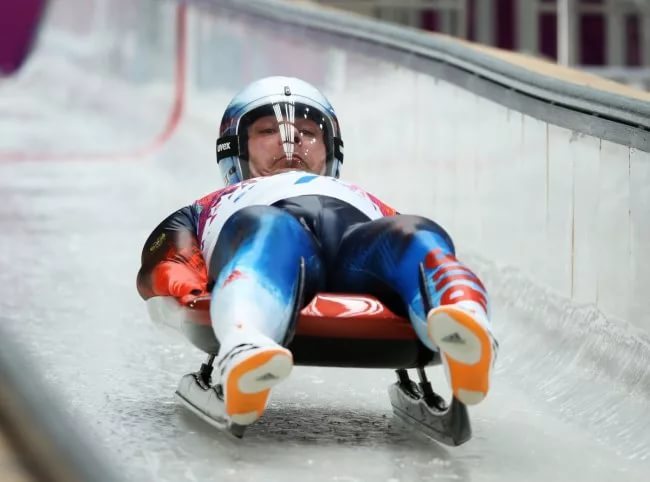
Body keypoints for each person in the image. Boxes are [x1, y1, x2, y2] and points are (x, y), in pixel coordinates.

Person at [137, 76, 498, 428]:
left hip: (356, 242)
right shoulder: (208, 206)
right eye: (267, 132)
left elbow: (417, 245)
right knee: (269, 230)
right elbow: (168, 260)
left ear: (331, 149)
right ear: (236, 149)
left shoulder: (365, 198)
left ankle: (463, 317)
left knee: (414, 231)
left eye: (308, 133)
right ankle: (245, 341)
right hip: (276, 240)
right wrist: (192, 293)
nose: (291, 139)